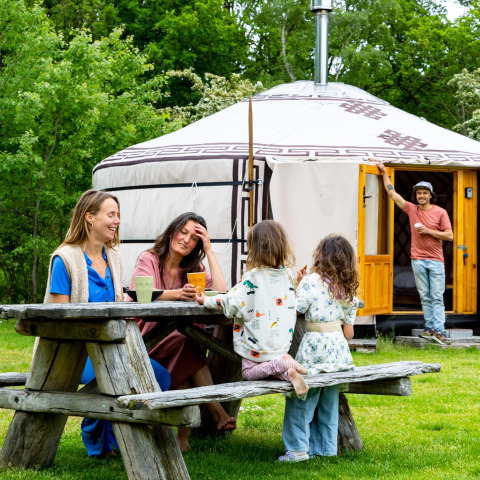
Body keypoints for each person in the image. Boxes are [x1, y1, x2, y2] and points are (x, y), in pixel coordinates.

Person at [44, 189, 170, 457]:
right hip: (74, 348)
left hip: (112, 344)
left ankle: (121, 437)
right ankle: (99, 440)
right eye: (111, 215)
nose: (117, 221)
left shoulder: (113, 256)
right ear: (89, 218)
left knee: (160, 376)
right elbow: (59, 316)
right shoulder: (64, 259)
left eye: (118, 215)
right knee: (114, 378)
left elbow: (115, 300)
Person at [128, 212, 236, 451]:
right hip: (146, 341)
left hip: (181, 345)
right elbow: (138, 292)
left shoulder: (193, 268)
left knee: (185, 349)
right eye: (183, 232)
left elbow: (220, 293)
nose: (187, 240)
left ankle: (183, 439)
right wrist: (177, 294)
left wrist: (209, 249)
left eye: (194, 238)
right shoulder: (149, 259)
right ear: (171, 233)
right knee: (187, 344)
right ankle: (216, 413)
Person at [197, 220, 309, 397]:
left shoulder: (253, 278)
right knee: (270, 367)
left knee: (248, 372)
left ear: (254, 249)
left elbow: (231, 301)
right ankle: (287, 372)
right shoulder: (286, 276)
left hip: (259, 347)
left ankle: (282, 364)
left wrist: (205, 300)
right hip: (280, 346)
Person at [279, 234, 359, 462]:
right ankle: (326, 449)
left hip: (314, 351)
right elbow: (349, 333)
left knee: (302, 399)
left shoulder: (311, 281)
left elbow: (294, 309)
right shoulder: (348, 288)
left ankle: (297, 451)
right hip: (339, 354)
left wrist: (297, 284)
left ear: (320, 256)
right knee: (329, 402)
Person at [376, 163, 454, 345]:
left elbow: (449, 236)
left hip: (435, 260)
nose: (421, 195)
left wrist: (428, 231)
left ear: (430, 195)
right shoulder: (412, 209)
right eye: (419, 193)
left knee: (436, 295)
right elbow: (392, 193)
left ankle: (440, 330)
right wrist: (385, 172)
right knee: (425, 296)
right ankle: (429, 328)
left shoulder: (440, 212)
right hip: (417, 260)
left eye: (424, 193)